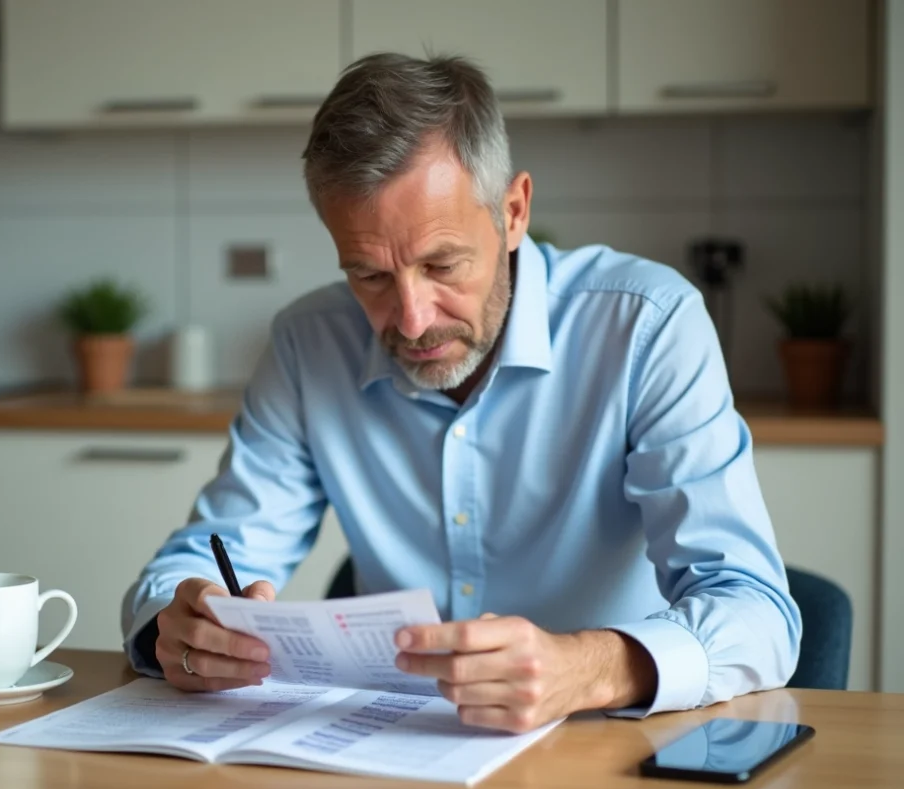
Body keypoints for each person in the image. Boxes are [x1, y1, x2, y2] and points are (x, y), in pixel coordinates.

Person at [121, 52, 801, 732]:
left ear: (513, 211)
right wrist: (178, 626)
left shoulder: (646, 326)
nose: (412, 320)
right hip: (390, 751)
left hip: (609, 745)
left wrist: (584, 667)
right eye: (370, 276)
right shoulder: (308, 344)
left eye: (441, 264)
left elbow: (756, 611)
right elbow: (201, 558)